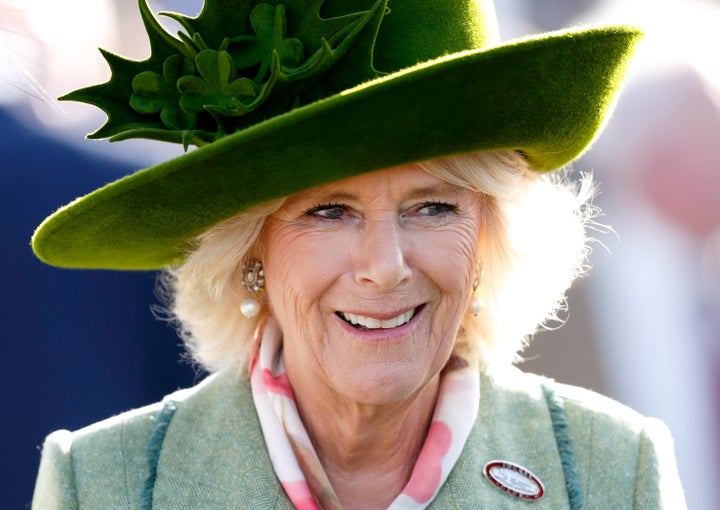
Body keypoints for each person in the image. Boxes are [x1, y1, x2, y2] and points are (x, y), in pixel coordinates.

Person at [30, 0, 686, 508]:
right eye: (329, 212)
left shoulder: (607, 471)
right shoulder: (105, 484)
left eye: (434, 206)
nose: (385, 264)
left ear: (489, 234)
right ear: (249, 249)